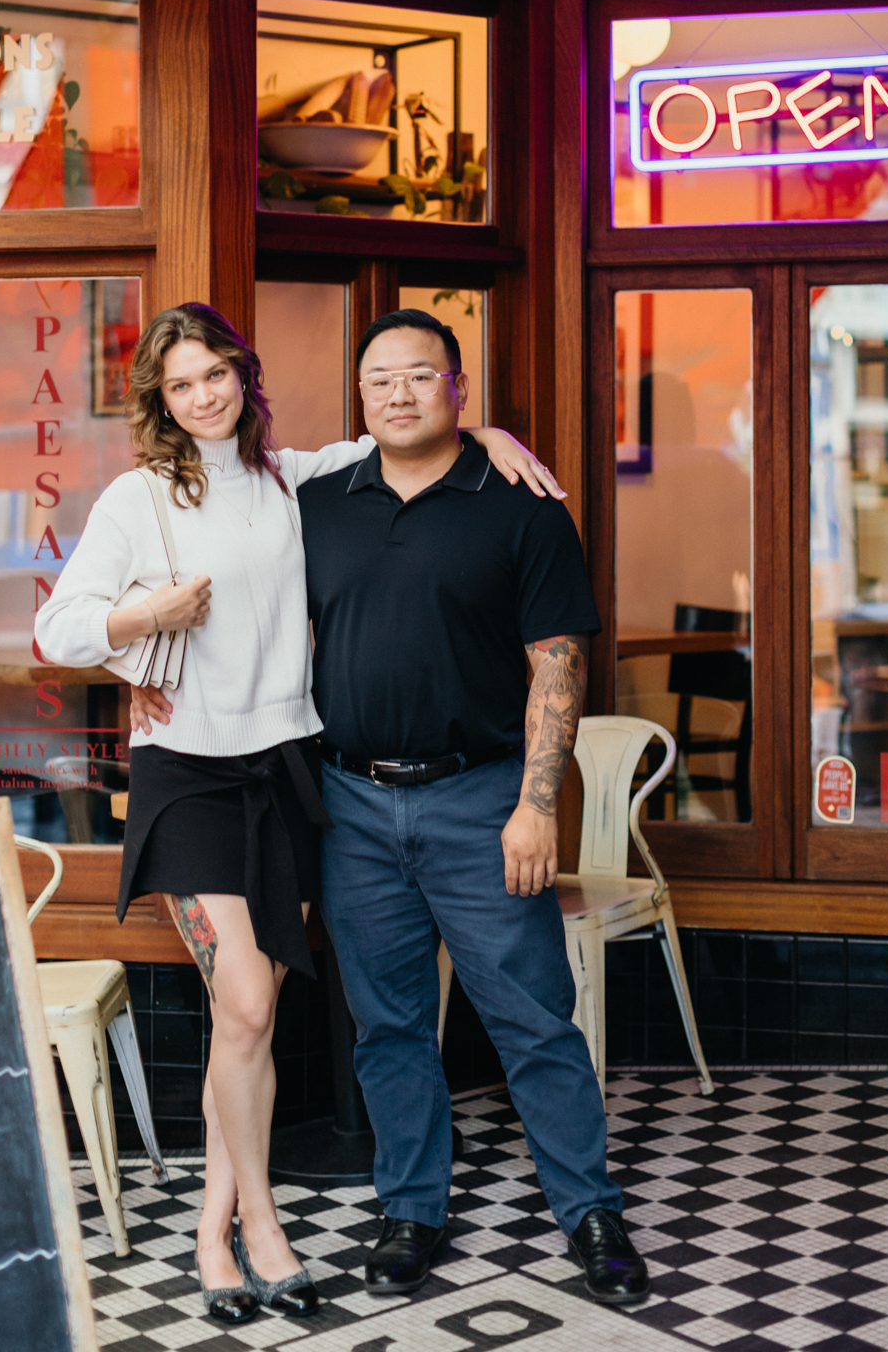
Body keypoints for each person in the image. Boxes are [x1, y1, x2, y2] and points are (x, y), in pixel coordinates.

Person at [36, 301, 559, 1325]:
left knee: (248, 1017)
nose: (202, 398)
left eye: (215, 376)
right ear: (163, 400)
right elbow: (57, 624)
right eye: (181, 385)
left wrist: (488, 432)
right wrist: (146, 621)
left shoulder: (293, 477)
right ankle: (260, 1224)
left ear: (244, 375)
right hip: (187, 774)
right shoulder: (140, 498)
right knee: (244, 1003)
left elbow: (406, 438)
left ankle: (208, 1230)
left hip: (286, 768)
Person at [298, 308, 648, 1308]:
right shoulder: (317, 503)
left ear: (459, 388)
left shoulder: (521, 507)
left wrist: (539, 806)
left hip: (481, 797)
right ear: (360, 399)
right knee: (389, 1027)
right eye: (378, 380)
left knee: (532, 1018)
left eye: (419, 375)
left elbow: (559, 663)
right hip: (352, 803)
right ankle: (410, 1209)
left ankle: (590, 1212)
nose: (397, 393)